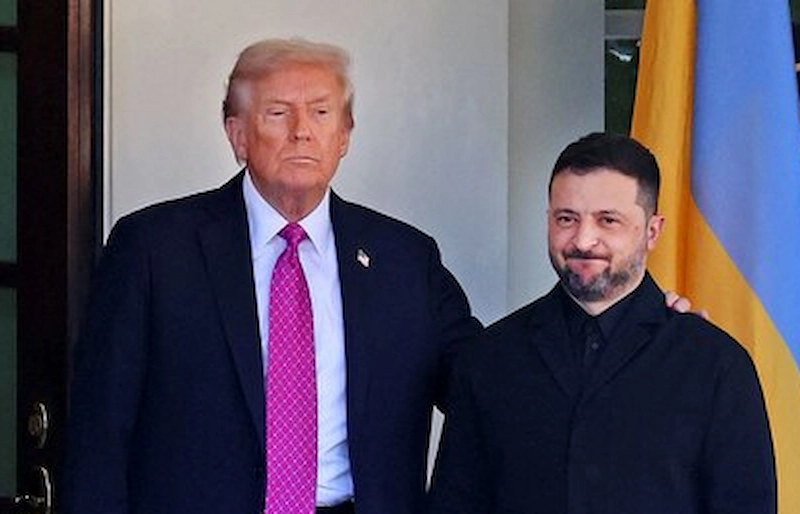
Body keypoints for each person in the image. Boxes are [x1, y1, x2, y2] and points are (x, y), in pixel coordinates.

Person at [63, 38, 481, 514]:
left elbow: (485, 387)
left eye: (321, 113)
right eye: (278, 113)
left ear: (344, 136)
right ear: (238, 135)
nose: (302, 131)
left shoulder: (405, 260)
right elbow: (100, 431)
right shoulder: (153, 249)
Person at [426, 132, 776, 514]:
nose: (583, 239)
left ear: (652, 231)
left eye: (608, 220)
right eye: (566, 219)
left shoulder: (716, 365)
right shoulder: (489, 358)